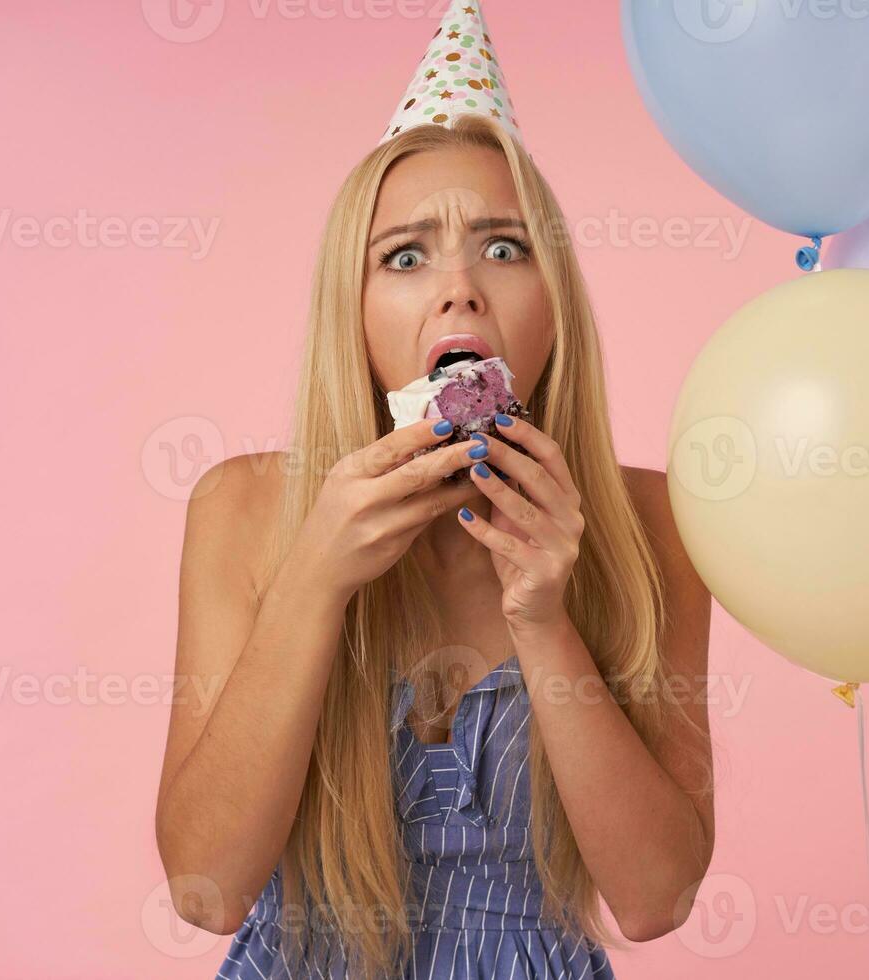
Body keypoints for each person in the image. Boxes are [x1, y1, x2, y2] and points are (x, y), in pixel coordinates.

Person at [154, 3, 714, 976]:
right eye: (405, 256)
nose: (458, 289)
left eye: (504, 247)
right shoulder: (241, 509)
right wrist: (314, 579)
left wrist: (544, 615)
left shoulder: (654, 525)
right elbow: (205, 884)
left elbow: (656, 897)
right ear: (357, 312)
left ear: (556, 305)